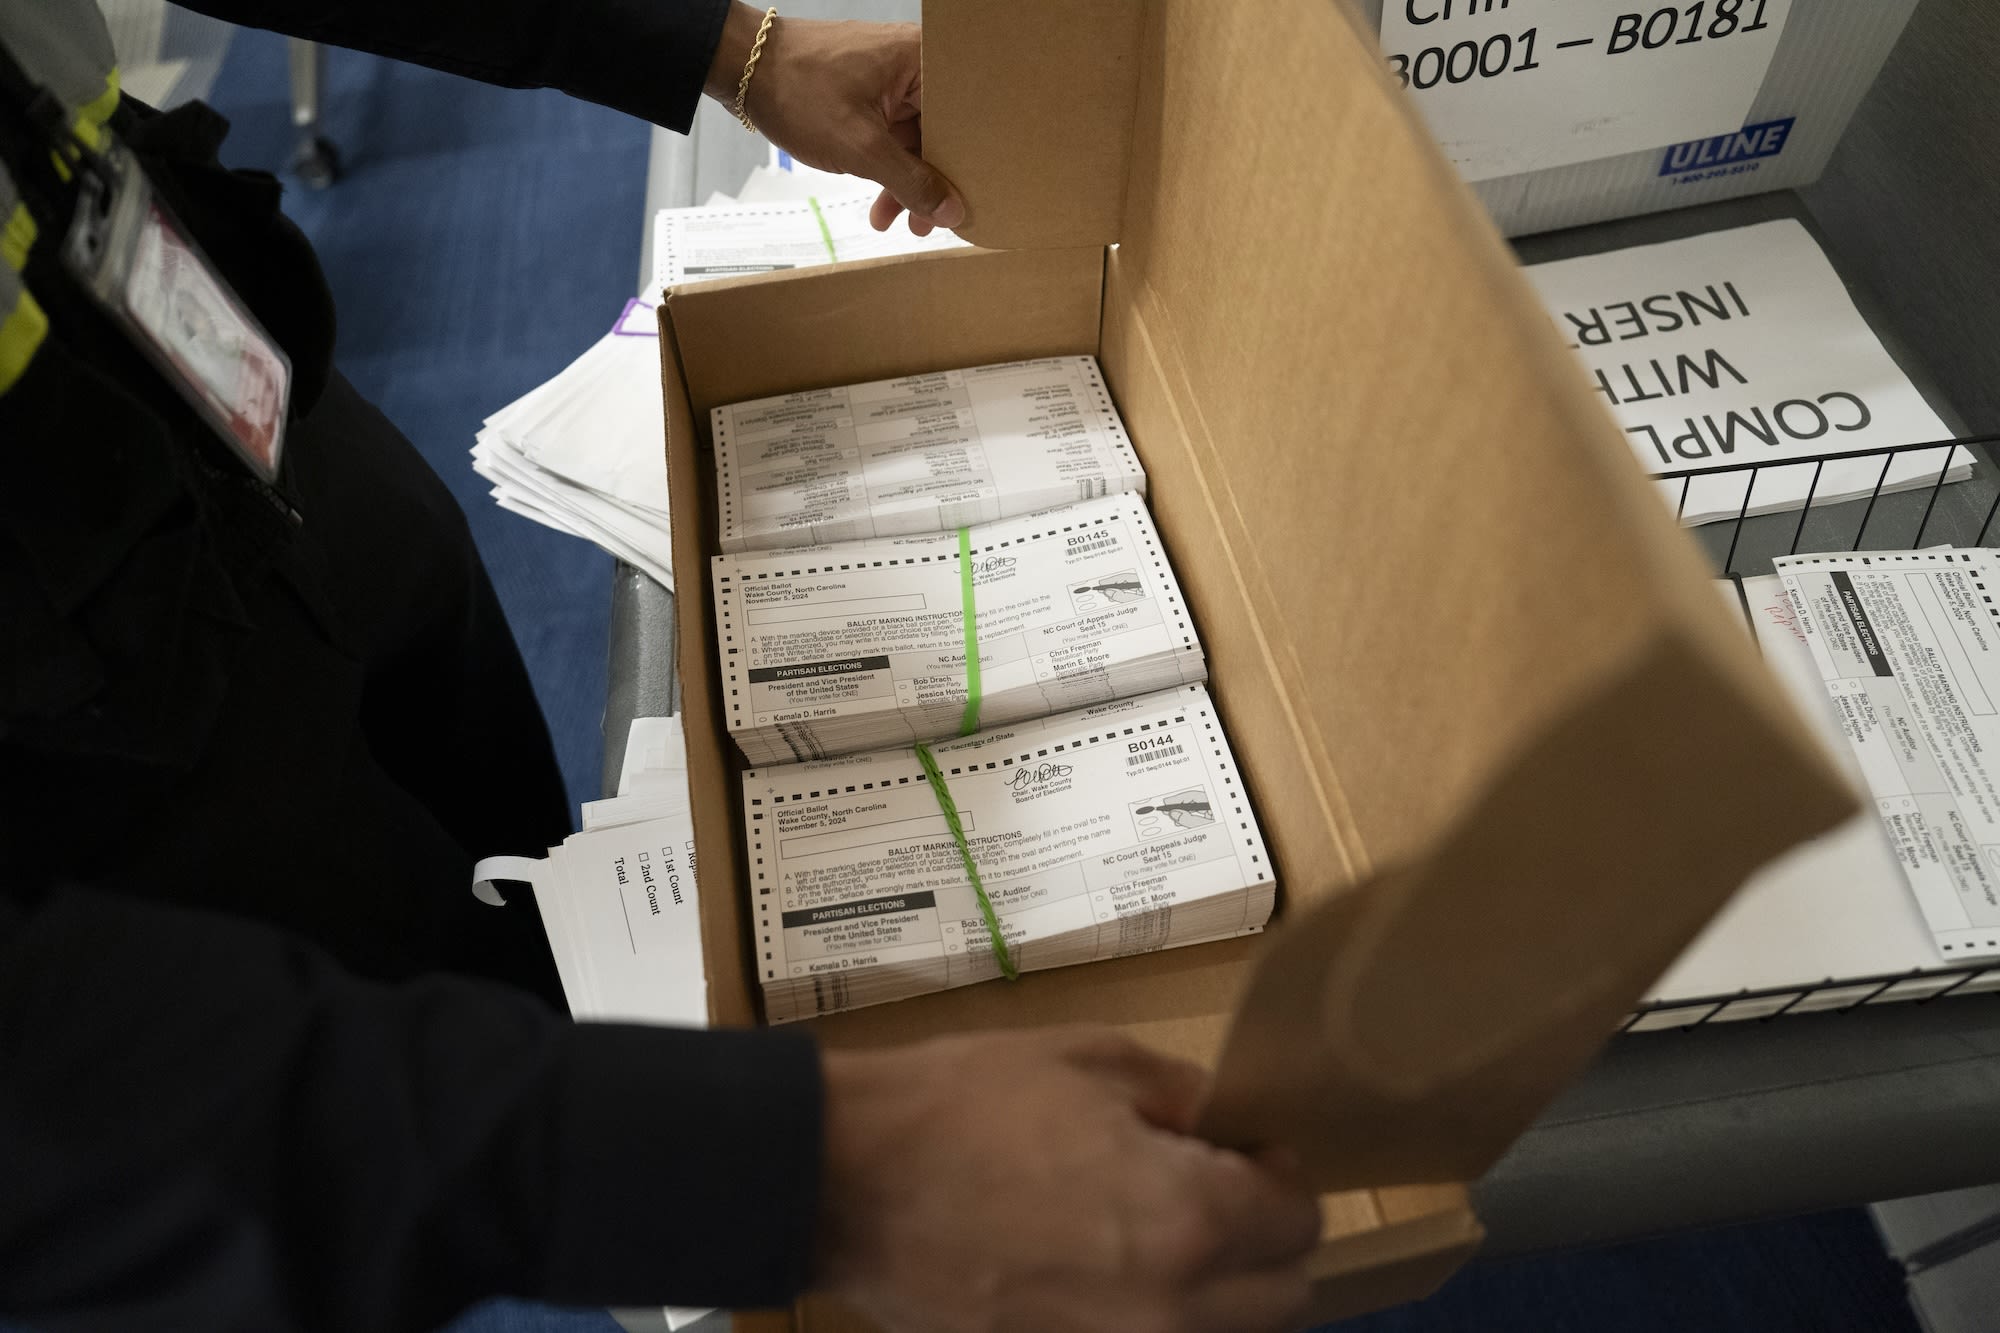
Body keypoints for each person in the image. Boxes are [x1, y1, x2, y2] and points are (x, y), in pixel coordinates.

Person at [0, 3, 1322, 1331]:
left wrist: (720, 46)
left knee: (496, 884)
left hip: (170, 317)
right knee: (319, 1146)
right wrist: (805, 1175)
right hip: (63, 732)